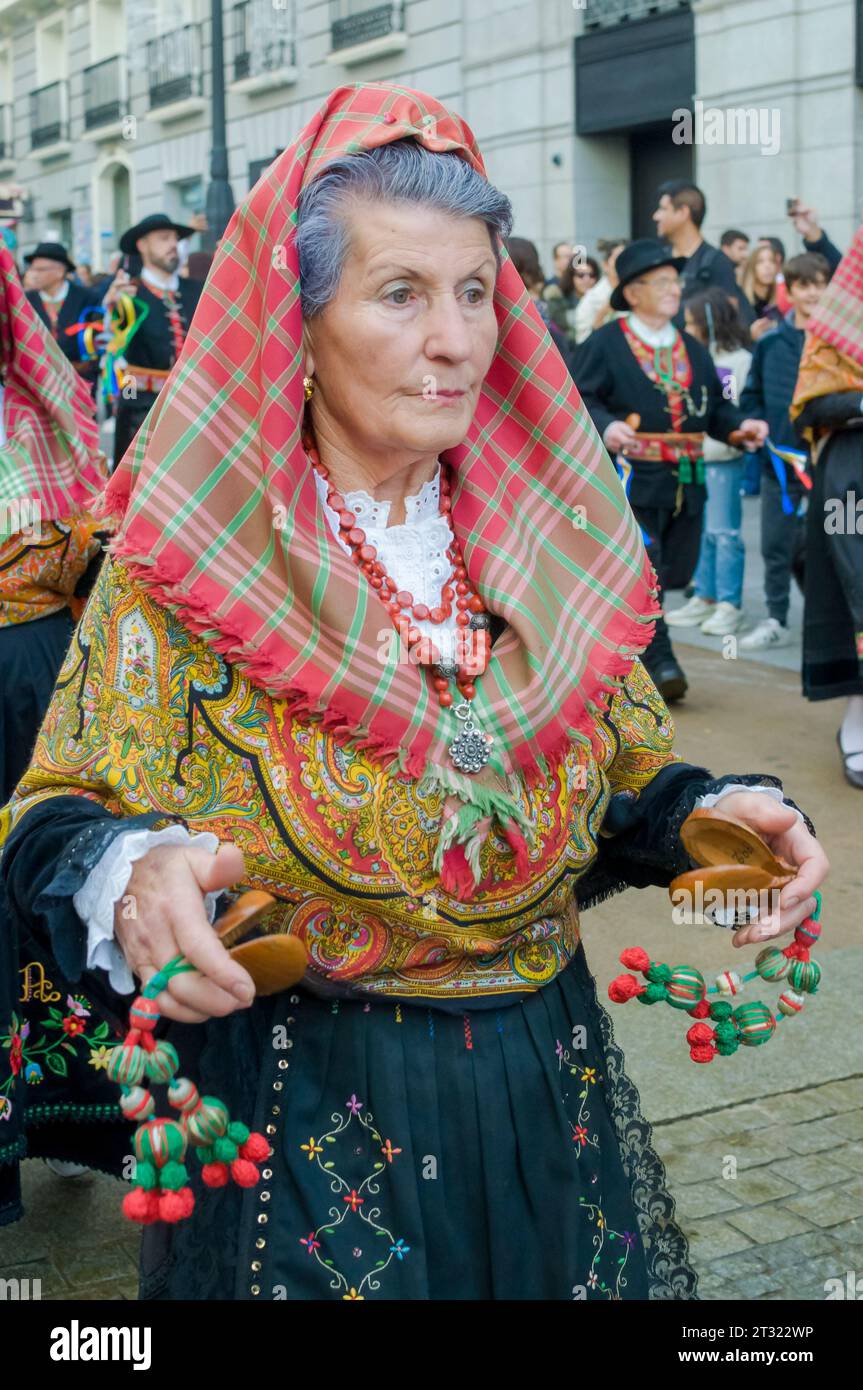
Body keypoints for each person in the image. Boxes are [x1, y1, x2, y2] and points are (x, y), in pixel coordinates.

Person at [0, 86, 827, 1302]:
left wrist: (716, 814)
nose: (457, 339)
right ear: (297, 323)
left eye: (477, 291)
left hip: (550, 1088)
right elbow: (50, 817)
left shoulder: (548, 548)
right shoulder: (190, 571)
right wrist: (134, 874)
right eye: (400, 293)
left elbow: (620, 779)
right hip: (309, 1120)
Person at [0, 238, 121, 1227]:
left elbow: (101, 555)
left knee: (49, 885)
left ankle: (74, 1118)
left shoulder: (46, 415)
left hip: (42, 679)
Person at [572, 238, 767, 702]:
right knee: (647, 572)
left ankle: (623, 654)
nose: (673, 289)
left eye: (674, 280)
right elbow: (579, 399)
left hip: (687, 483)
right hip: (630, 482)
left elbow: (718, 411)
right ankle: (661, 663)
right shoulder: (605, 344)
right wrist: (608, 425)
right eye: (660, 282)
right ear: (633, 292)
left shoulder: (693, 349)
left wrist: (740, 428)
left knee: (673, 575)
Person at [790, 226, 863, 788]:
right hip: (853, 477)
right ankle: (856, 723)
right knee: (855, 590)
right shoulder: (841, 318)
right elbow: (812, 403)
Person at [739, 252, 832, 652]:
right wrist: (753, 422)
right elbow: (751, 396)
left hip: (831, 462)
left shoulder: (841, 343)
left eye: (819, 284)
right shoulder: (771, 343)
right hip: (778, 462)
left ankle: (830, 622)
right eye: (804, 285)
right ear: (789, 291)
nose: (812, 292)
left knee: (836, 543)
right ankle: (776, 617)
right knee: (776, 545)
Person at [666, 289, 753, 636]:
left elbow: (727, 407)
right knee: (703, 532)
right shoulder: (695, 357)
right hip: (698, 458)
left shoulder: (736, 361)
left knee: (724, 532)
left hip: (723, 460)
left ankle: (729, 603)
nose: (686, 328)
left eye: (691, 322)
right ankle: (705, 595)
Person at [104, 213, 204, 470]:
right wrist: (111, 307)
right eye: (163, 239)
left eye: (175, 238)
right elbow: (110, 342)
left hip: (193, 403)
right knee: (137, 478)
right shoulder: (127, 293)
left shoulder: (198, 289)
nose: (173, 244)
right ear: (142, 245)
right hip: (139, 401)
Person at [653, 180, 753, 326]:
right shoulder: (660, 259)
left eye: (663, 209)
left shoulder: (716, 261)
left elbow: (727, 318)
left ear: (683, 213)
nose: (656, 216)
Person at [24, 241, 103, 391]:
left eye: (41, 269)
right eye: (32, 269)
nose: (34, 274)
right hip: (37, 385)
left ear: (60, 271)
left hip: (79, 384)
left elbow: (99, 340)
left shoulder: (88, 298)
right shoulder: (26, 301)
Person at [505, 235, 574, 370]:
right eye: (566, 256)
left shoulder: (545, 295)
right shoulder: (544, 295)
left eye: (572, 256)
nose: (571, 260)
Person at [573, 239, 627, 345]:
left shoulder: (637, 292)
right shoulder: (591, 300)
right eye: (618, 258)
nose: (624, 262)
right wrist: (602, 315)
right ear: (605, 265)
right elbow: (584, 345)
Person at [741, 243, 783, 342]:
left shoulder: (782, 298)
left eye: (772, 261)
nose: (767, 266)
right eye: (760, 262)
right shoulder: (742, 301)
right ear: (752, 267)